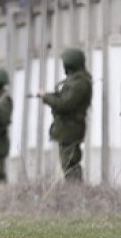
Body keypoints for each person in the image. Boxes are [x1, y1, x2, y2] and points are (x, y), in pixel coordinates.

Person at [39, 47, 92, 183]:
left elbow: (64, 104)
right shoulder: (76, 80)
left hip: (71, 128)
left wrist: (46, 97)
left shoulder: (79, 82)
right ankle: (74, 191)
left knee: (70, 163)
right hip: (67, 127)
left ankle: (76, 191)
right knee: (67, 163)